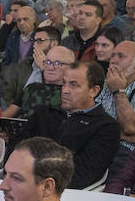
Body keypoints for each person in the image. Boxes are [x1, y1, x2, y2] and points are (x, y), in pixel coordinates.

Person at [16, 60, 121, 190]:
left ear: (94, 91)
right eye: (64, 83)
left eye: (74, 85)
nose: (65, 90)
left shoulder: (106, 127)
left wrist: (36, 182)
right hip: (22, 182)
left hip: (62, 193)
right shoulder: (43, 113)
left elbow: (83, 175)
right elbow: (16, 148)